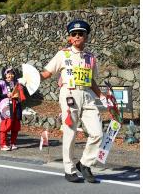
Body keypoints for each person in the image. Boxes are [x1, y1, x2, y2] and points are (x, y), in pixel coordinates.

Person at [40, 20, 108, 183]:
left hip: (87, 96)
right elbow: (47, 73)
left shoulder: (91, 58)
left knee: (97, 133)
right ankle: (69, 169)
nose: (77, 36)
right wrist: (29, 79)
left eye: (81, 34)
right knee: (70, 133)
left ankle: (85, 163)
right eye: (74, 34)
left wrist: (101, 96)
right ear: (70, 38)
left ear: (86, 36)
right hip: (69, 95)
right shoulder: (63, 54)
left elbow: (91, 80)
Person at [0, 68, 25, 151]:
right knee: (6, 124)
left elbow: (21, 96)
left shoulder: (17, 83)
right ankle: (3, 144)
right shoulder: (1, 83)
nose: (10, 75)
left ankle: (13, 143)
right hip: (6, 106)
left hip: (16, 105)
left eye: (12, 74)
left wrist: (20, 91)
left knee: (15, 125)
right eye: (9, 73)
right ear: (5, 74)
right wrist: (6, 95)